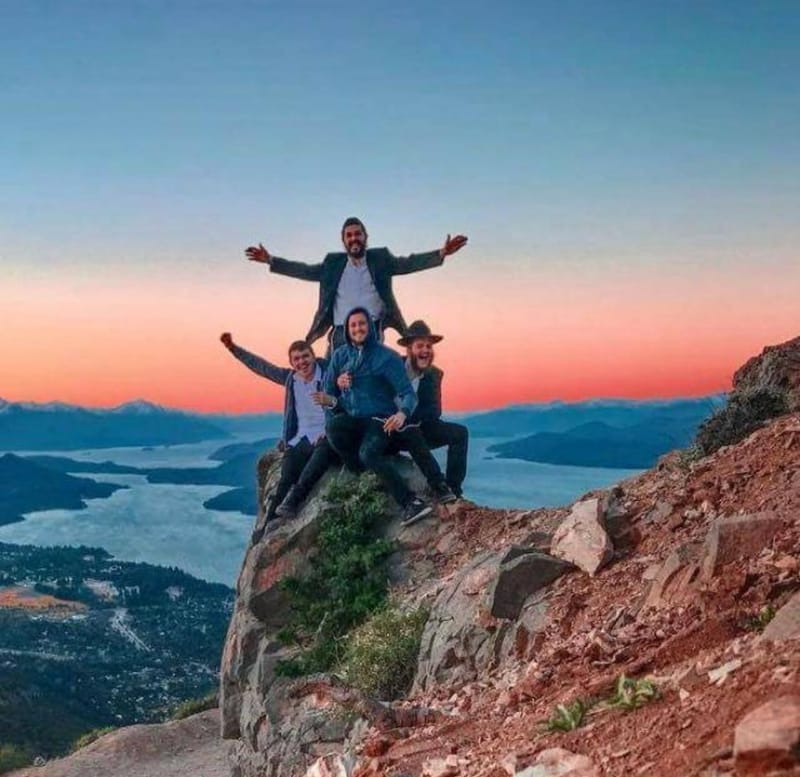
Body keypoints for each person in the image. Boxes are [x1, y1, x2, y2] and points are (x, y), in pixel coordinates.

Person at [245, 217, 468, 352]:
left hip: (372, 329)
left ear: (365, 237)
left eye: (358, 234)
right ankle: (333, 428)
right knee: (334, 381)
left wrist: (441, 253)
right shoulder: (333, 263)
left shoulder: (380, 259)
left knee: (370, 377)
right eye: (349, 235)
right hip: (341, 332)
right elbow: (304, 270)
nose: (354, 239)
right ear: (343, 240)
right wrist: (271, 261)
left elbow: (407, 263)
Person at [320, 307, 432, 525]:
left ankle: (412, 503)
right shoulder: (340, 356)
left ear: (369, 327)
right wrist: (337, 384)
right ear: (347, 329)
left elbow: (408, 394)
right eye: (352, 325)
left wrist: (402, 414)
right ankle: (363, 473)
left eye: (361, 324)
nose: (357, 328)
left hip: (379, 419)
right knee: (333, 429)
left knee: (368, 453)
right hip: (353, 418)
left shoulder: (386, 357)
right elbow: (328, 395)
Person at [220, 333, 337, 535]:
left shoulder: (328, 373)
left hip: (326, 434)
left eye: (305, 356)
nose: (302, 362)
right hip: (301, 437)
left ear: (313, 356)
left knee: (317, 459)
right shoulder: (291, 379)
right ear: (292, 363)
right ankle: (269, 523)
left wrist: (329, 427)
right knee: (286, 476)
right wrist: (233, 348)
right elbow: (262, 367)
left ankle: (294, 500)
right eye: (297, 359)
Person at [395, 320, 469, 499]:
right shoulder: (393, 366)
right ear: (409, 349)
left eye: (429, 346)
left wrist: (407, 416)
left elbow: (434, 410)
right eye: (420, 346)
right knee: (411, 431)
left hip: (417, 427)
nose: (426, 350)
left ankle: (453, 489)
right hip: (390, 430)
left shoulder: (434, 374)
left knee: (460, 433)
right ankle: (438, 485)